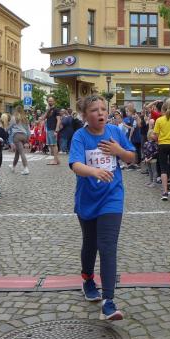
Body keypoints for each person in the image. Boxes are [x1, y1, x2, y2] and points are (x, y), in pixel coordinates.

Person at [68, 95, 136, 320]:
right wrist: (94, 171)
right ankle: (87, 279)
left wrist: (119, 151)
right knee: (90, 243)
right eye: (95, 110)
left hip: (112, 197)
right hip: (87, 198)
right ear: (84, 115)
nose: (100, 113)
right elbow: (75, 164)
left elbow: (132, 158)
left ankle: (109, 301)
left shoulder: (115, 132)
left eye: (103, 109)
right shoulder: (80, 136)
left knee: (107, 245)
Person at [9, 106, 30, 175]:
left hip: (17, 136)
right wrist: (27, 139)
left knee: (21, 152)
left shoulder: (13, 117)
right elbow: (28, 130)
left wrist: (4, 130)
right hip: (24, 135)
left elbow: (9, 127)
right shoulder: (25, 118)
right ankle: (13, 166)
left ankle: (26, 168)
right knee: (17, 152)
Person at [45, 96, 62, 165]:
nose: (50, 102)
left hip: (53, 129)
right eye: (49, 101)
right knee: (51, 145)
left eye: (51, 101)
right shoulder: (49, 110)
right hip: (49, 129)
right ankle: (57, 160)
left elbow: (58, 120)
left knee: (54, 145)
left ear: (54, 101)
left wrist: (56, 130)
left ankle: (55, 160)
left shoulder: (56, 110)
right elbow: (44, 118)